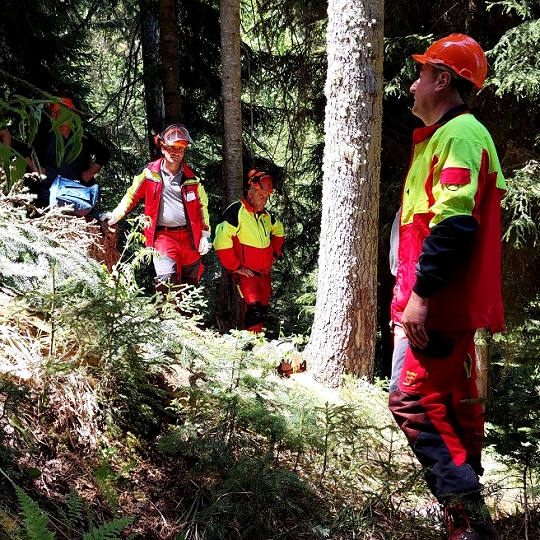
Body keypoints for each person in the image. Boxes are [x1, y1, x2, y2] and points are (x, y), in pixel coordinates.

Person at [387, 34, 506, 540]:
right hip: (434, 303)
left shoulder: (461, 135)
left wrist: (420, 298)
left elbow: (454, 226)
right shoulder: (440, 138)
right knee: (455, 403)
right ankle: (466, 516)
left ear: (442, 80)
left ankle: (468, 523)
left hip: (437, 306)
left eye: (421, 74)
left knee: (410, 400)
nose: (412, 85)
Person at [103, 123, 211, 297]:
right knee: (166, 280)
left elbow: (202, 207)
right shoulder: (149, 173)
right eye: (172, 148)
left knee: (191, 288)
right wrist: (116, 214)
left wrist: (206, 235)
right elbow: (132, 196)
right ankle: (165, 321)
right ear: (162, 148)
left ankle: (188, 323)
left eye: (181, 149)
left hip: (191, 238)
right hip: (163, 237)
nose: (176, 153)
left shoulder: (192, 178)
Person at [213, 168, 285, 333]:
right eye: (261, 195)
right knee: (254, 310)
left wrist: (274, 254)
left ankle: (257, 344)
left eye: (267, 197)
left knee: (262, 310)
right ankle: (255, 349)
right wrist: (236, 267)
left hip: (264, 274)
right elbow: (220, 242)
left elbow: (279, 232)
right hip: (247, 275)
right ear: (251, 191)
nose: (264, 200)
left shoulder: (266, 216)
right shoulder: (235, 212)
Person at [23, 92, 110, 208]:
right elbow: (24, 153)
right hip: (47, 198)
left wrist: (88, 174)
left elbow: (104, 154)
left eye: (66, 112)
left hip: (76, 198)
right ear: (53, 115)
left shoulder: (81, 136)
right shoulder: (45, 135)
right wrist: (38, 169)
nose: (63, 116)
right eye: (59, 112)